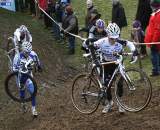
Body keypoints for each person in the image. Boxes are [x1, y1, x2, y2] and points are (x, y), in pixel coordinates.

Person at [86, 23, 137, 113]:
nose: (114, 40)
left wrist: (134, 51)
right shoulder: (102, 41)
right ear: (108, 35)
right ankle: (110, 103)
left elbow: (130, 44)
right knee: (106, 85)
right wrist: (95, 60)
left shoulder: (120, 41)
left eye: (116, 38)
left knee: (120, 84)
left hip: (118, 64)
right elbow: (91, 46)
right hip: (106, 64)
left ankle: (120, 103)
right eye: (112, 38)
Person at [13, 41, 42, 117]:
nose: (28, 54)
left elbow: (37, 61)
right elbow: (14, 69)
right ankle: (23, 104)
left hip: (29, 77)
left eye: (29, 52)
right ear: (22, 50)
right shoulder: (17, 57)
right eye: (26, 52)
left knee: (33, 92)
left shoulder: (33, 54)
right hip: (20, 77)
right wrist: (21, 69)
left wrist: (39, 67)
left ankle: (34, 109)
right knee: (22, 94)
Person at [144, 0, 160, 76]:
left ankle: (156, 70)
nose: (151, 7)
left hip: (154, 40)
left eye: (152, 6)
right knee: (155, 54)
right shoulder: (154, 14)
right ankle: (157, 69)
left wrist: (154, 42)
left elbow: (157, 30)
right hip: (151, 39)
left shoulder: (158, 15)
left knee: (154, 55)